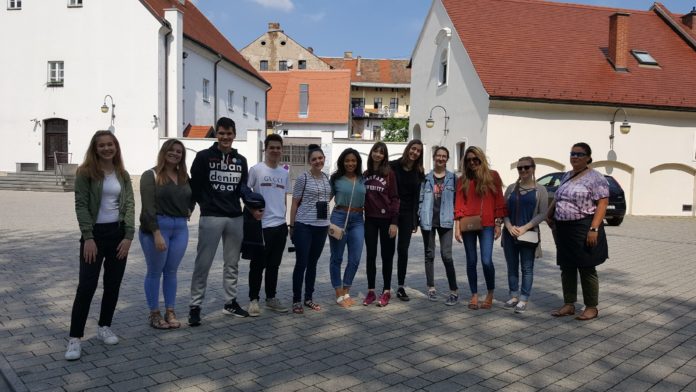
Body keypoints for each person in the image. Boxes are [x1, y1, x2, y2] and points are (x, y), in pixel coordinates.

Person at [65, 130, 134, 361]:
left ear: (116, 146)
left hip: (118, 234)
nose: (106, 148)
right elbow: (81, 205)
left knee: (113, 285)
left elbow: (130, 204)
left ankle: (105, 326)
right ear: (95, 149)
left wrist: (128, 236)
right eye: (102, 145)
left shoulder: (122, 174)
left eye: (110, 144)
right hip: (94, 236)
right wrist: (88, 237)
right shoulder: (85, 173)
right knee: (86, 286)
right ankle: (75, 338)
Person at [188, 117, 258, 326]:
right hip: (211, 217)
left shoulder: (241, 160)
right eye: (221, 133)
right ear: (216, 134)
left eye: (229, 133)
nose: (225, 137)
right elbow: (195, 185)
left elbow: (243, 188)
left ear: (234, 135)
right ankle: (195, 306)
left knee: (232, 264)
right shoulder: (203, 157)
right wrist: (199, 205)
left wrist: (253, 207)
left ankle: (230, 302)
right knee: (203, 263)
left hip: (235, 217)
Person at [547, 143, 609, 321]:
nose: (575, 157)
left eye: (579, 154)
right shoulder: (567, 175)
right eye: (572, 153)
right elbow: (558, 196)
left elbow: (602, 204)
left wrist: (594, 228)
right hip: (563, 228)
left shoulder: (596, 178)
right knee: (566, 267)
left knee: (586, 267)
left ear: (588, 157)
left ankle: (591, 307)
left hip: (584, 227)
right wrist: (549, 214)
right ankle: (569, 304)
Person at [139, 139, 191, 330]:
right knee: (154, 272)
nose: (175, 154)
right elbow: (147, 207)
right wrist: (156, 233)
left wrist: (189, 209)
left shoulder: (184, 176)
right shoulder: (150, 175)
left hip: (180, 229)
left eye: (179, 151)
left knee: (171, 272)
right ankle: (154, 313)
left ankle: (170, 311)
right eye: (171, 150)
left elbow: (191, 197)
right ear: (164, 151)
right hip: (157, 228)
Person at [454, 146, 506, 310]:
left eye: (475, 159)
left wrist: (498, 224)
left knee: (486, 260)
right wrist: (457, 227)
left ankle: (490, 293)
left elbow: (499, 201)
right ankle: (474, 295)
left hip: (488, 224)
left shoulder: (493, 176)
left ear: (481, 159)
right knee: (471, 260)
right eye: (468, 160)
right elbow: (459, 204)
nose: (472, 162)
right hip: (468, 224)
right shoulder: (463, 180)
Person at [246, 134, 290, 316]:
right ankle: (253, 300)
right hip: (261, 226)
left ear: (282, 150)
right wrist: (251, 211)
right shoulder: (256, 170)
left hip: (280, 226)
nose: (275, 150)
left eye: (278, 148)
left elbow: (283, 199)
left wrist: (286, 222)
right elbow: (246, 194)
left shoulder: (284, 173)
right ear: (266, 149)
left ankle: (271, 298)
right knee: (258, 265)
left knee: (274, 265)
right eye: (271, 147)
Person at [502, 156, 548, 314]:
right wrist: (508, 226)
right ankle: (513, 295)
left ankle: (523, 298)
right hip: (510, 234)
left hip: (528, 235)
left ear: (533, 168)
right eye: (520, 168)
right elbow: (503, 211)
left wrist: (524, 228)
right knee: (512, 267)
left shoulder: (540, 190)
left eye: (526, 167)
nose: (523, 170)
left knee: (527, 268)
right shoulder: (510, 189)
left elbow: (543, 214)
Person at [289, 144, 331, 314]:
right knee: (302, 263)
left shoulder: (327, 178)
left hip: (321, 226)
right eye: (314, 159)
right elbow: (294, 203)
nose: (317, 161)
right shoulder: (303, 178)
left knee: (313, 264)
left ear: (324, 159)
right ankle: (296, 300)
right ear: (309, 162)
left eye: (320, 158)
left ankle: (308, 298)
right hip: (304, 226)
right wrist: (291, 226)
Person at [419, 146, 459, 305]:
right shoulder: (426, 178)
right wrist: (418, 217)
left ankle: (454, 290)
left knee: (447, 255)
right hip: (428, 220)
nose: (441, 158)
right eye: (438, 156)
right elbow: (420, 199)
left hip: (446, 220)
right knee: (429, 254)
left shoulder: (453, 178)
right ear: (434, 157)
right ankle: (431, 287)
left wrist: (458, 224)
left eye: (444, 156)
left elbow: (457, 201)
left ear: (447, 159)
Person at [362, 142, 399, 307]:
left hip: (387, 221)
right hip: (370, 219)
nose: (377, 154)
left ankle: (386, 291)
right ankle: (371, 291)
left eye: (381, 152)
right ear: (371, 153)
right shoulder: (366, 173)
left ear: (385, 156)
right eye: (375, 151)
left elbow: (396, 199)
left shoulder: (389, 174)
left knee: (387, 256)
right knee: (370, 256)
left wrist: (394, 222)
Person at [329, 148, 366, 308]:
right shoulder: (336, 179)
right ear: (342, 162)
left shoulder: (363, 179)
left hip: (358, 220)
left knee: (355, 259)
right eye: (347, 160)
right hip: (338, 217)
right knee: (337, 258)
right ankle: (338, 293)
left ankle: (346, 290)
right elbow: (325, 199)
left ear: (357, 162)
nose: (350, 163)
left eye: (353, 160)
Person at [389, 139, 424, 301]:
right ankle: (386, 286)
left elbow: (418, 197)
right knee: (388, 250)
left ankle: (401, 286)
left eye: (418, 151)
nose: (415, 152)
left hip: (408, 215)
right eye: (413, 148)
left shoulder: (419, 172)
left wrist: (415, 220)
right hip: (391, 214)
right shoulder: (393, 166)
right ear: (408, 148)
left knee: (403, 250)